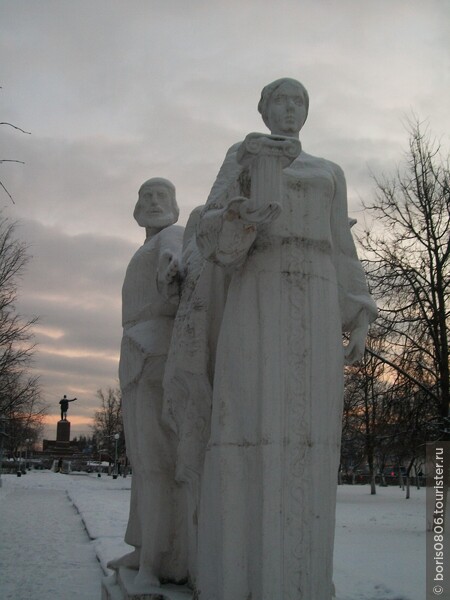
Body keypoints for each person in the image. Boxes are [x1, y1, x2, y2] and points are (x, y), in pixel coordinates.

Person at [195, 78, 378, 600]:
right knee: (249, 421)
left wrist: (359, 316)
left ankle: (304, 581)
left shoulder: (329, 172)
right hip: (260, 289)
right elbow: (211, 237)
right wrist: (240, 214)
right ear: (264, 108)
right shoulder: (244, 155)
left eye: (299, 101)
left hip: (319, 292)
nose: (291, 109)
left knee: (312, 430)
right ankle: (243, 579)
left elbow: (344, 247)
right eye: (281, 100)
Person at [108, 178, 187, 588]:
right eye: (146, 197)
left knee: (156, 464)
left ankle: (155, 566)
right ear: (136, 209)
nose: (154, 202)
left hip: (157, 353)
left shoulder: (173, 235)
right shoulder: (144, 246)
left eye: (162, 197)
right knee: (143, 464)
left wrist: (171, 270)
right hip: (138, 355)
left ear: (175, 207)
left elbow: (175, 260)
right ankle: (142, 549)